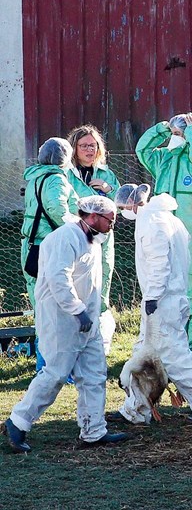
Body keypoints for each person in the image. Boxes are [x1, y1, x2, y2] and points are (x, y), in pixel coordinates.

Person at [2, 196, 130, 453]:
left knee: (94, 374)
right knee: (56, 373)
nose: (112, 225)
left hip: (87, 319)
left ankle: (93, 430)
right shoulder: (64, 238)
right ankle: (17, 422)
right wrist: (78, 310)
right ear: (93, 216)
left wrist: (88, 314)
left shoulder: (92, 238)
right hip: (61, 318)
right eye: (109, 220)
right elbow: (58, 279)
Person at [108, 184, 192, 425]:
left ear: (132, 204)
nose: (122, 213)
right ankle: (136, 409)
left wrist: (152, 297)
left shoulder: (153, 224)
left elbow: (159, 264)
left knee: (174, 356)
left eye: (122, 208)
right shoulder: (166, 218)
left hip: (162, 301)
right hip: (169, 298)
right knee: (142, 352)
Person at [136, 111, 192, 364]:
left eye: (183, 131)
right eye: (177, 131)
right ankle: (169, 339)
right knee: (164, 281)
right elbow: (142, 150)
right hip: (164, 232)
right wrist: (163, 128)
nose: (178, 135)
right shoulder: (162, 158)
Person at [21, 138, 80, 372]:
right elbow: (57, 209)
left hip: (31, 244)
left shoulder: (36, 177)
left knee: (40, 304)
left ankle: (44, 363)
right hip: (49, 244)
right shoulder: (56, 179)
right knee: (54, 305)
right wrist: (76, 231)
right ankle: (53, 365)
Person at [66, 125, 121, 354]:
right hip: (78, 237)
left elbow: (120, 201)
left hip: (103, 240)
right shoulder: (67, 174)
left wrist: (108, 189)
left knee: (101, 284)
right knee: (77, 284)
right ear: (74, 149)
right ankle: (72, 345)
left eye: (93, 145)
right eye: (84, 146)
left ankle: (98, 345)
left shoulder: (105, 173)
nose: (89, 150)